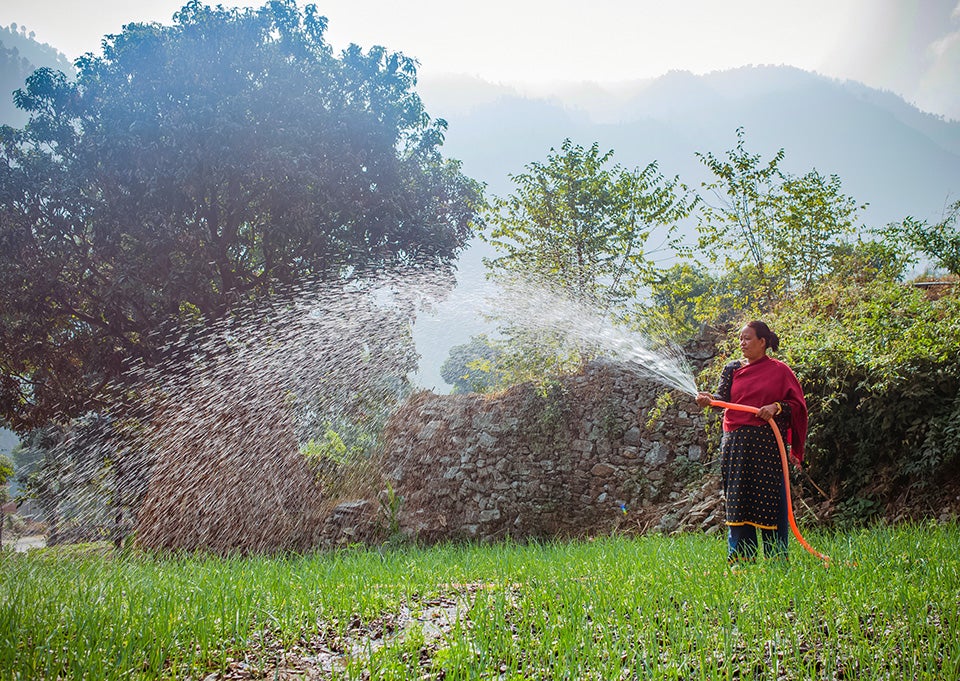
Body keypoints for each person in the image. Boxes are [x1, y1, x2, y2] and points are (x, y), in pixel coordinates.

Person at [695, 321, 807, 565]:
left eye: (747, 338)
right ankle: (741, 560)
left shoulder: (780, 371)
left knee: (769, 500)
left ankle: (777, 559)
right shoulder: (732, 368)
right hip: (735, 444)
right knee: (738, 500)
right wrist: (709, 399)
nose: (742, 343)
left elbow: (797, 405)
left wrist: (776, 407)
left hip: (766, 445)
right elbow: (723, 399)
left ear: (763, 342)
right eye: (740, 339)